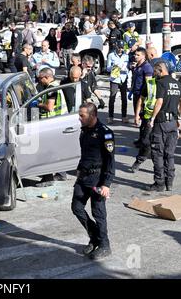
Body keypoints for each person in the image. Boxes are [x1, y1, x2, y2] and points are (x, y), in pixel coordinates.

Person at [72, 102, 115, 260]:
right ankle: (95, 237)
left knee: (98, 213)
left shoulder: (106, 133)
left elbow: (110, 161)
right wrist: (79, 169)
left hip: (98, 179)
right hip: (83, 177)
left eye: (82, 115)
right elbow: (85, 154)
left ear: (92, 115)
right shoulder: (84, 131)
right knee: (76, 208)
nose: (79, 118)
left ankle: (104, 245)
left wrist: (106, 184)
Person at [147, 62, 181, 192]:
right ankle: (170, 182)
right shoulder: (177, 84)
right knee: (170, 154)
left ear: (160, 70)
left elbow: (159, 101)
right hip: (173, 122)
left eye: (155, 71)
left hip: (161, 122)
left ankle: (159, 183)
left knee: (157, 153)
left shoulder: (161, 83)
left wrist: (152, 118)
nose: (154, 74)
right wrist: (179, 118)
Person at [32, 68, 68, 185]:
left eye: (40, 79)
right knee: (56, 149)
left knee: (46, 151)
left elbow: (49, 107)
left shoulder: (52, 89)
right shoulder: (55, 86)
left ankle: (48, 178)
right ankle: (61, 174)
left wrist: (37, 103)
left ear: (46, 77)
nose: (39, 81)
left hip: (52, 123)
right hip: (58, 122)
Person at [106, 40, 129, 124]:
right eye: (119, 47)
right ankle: (110, 116)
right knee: (112, 97)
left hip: (123, 78)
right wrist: (114, 66)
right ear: (116, 46)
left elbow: (128, 67)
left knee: (124, 98)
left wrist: (125, 68)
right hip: (114, 79)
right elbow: (107, 68)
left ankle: (124, 116)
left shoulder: (126, 56)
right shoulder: (111, 55)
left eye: (122, 48)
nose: (120, 49)